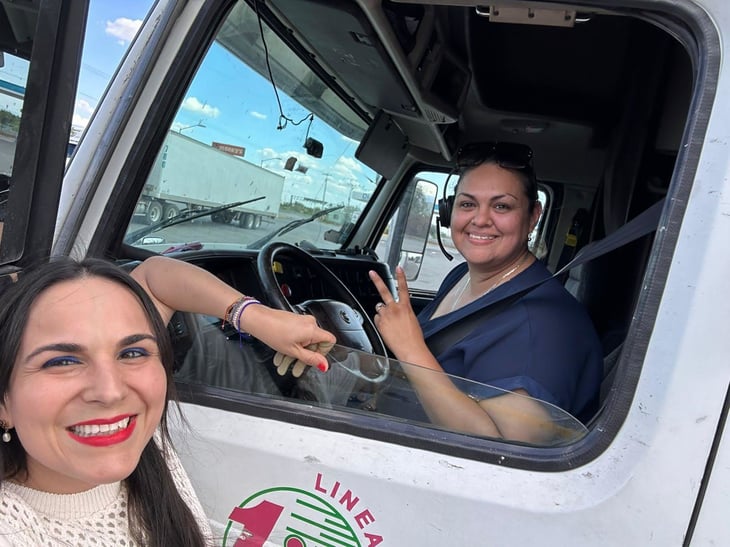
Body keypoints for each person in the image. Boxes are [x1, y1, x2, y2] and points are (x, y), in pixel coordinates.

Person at [0, 256, 335, 546]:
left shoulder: (136, 435)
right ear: (4, 403)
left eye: (132, 352)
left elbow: (154, 276)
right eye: (62, 362)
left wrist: (256, 318)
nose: (111, 391)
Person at [369, 142, 602, 443]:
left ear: (533, 216)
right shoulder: (461, 275)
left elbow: (499, 451)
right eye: (467, 204)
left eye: (501, 206)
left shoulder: (544, 326)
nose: (480, 219)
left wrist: (410, 349)